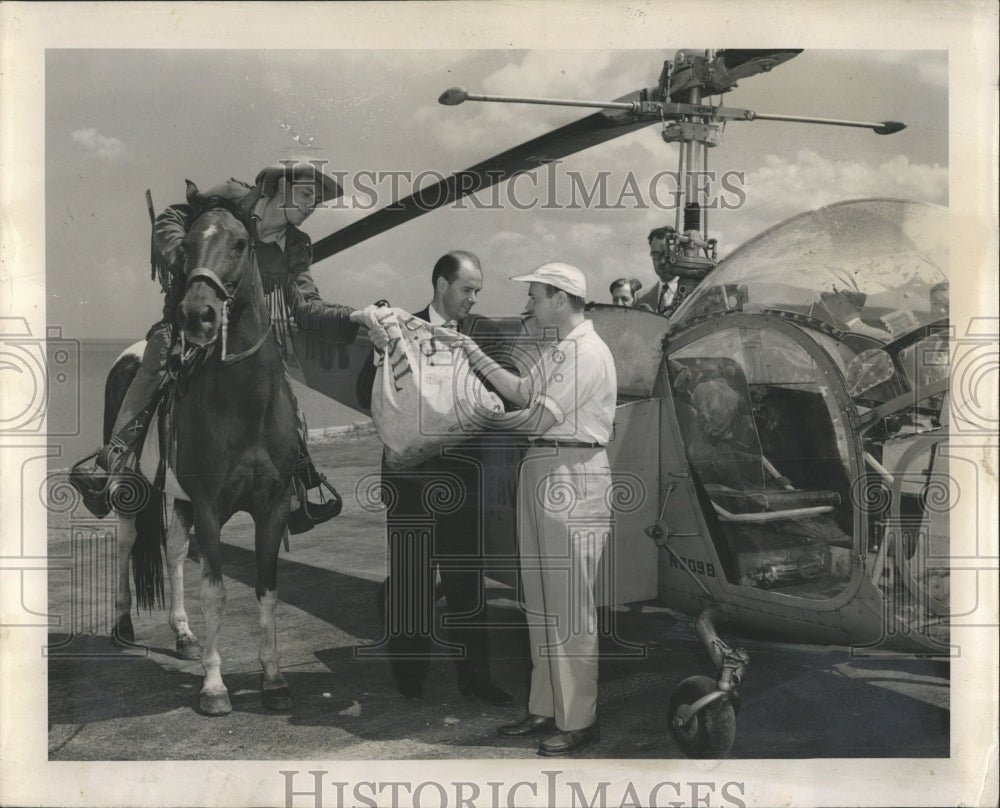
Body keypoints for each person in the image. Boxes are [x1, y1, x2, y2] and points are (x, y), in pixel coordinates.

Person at [71, 159, 373, 533]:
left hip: (244, 337)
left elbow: (306, 306)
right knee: (154, 365)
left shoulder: (296, 244)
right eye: (308, 194)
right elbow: (171, 217)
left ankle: (300, 482)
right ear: (281, 187)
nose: (313, 205)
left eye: (318, 199)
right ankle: (110, 466)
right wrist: (188, 258)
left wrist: (353, 317)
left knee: (285, 398)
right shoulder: (230, 195)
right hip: (191, 320)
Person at [447, 262, 616, 757]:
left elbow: (535, 414)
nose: (529, 307)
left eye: (536, 297)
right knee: (540, 601)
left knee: (569, 607)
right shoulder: (558, 349)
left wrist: (469, 416)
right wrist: (470, 351)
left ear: (561, 299)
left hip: (572, 471)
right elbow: (521, 391)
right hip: (542, 466)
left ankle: (580, 720)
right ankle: (545, 707)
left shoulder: (586, 352)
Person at [358, 250, 513, 705]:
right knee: (410, 583)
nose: (472, 300)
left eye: (477, 292)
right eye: (467, 290)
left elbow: (502, 394)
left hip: (462, 480)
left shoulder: (481, 333)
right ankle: (410, 678)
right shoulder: (396, 332)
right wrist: (377, 354)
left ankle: (476, 680)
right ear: (441, 285)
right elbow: (365, 395)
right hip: (408, 482)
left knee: (467, 584)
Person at [636, 225, 698, 316]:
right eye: (656, 255)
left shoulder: (695, 293)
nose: (662, 261)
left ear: (680, 254)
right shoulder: (639, 297)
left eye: (667, 255)